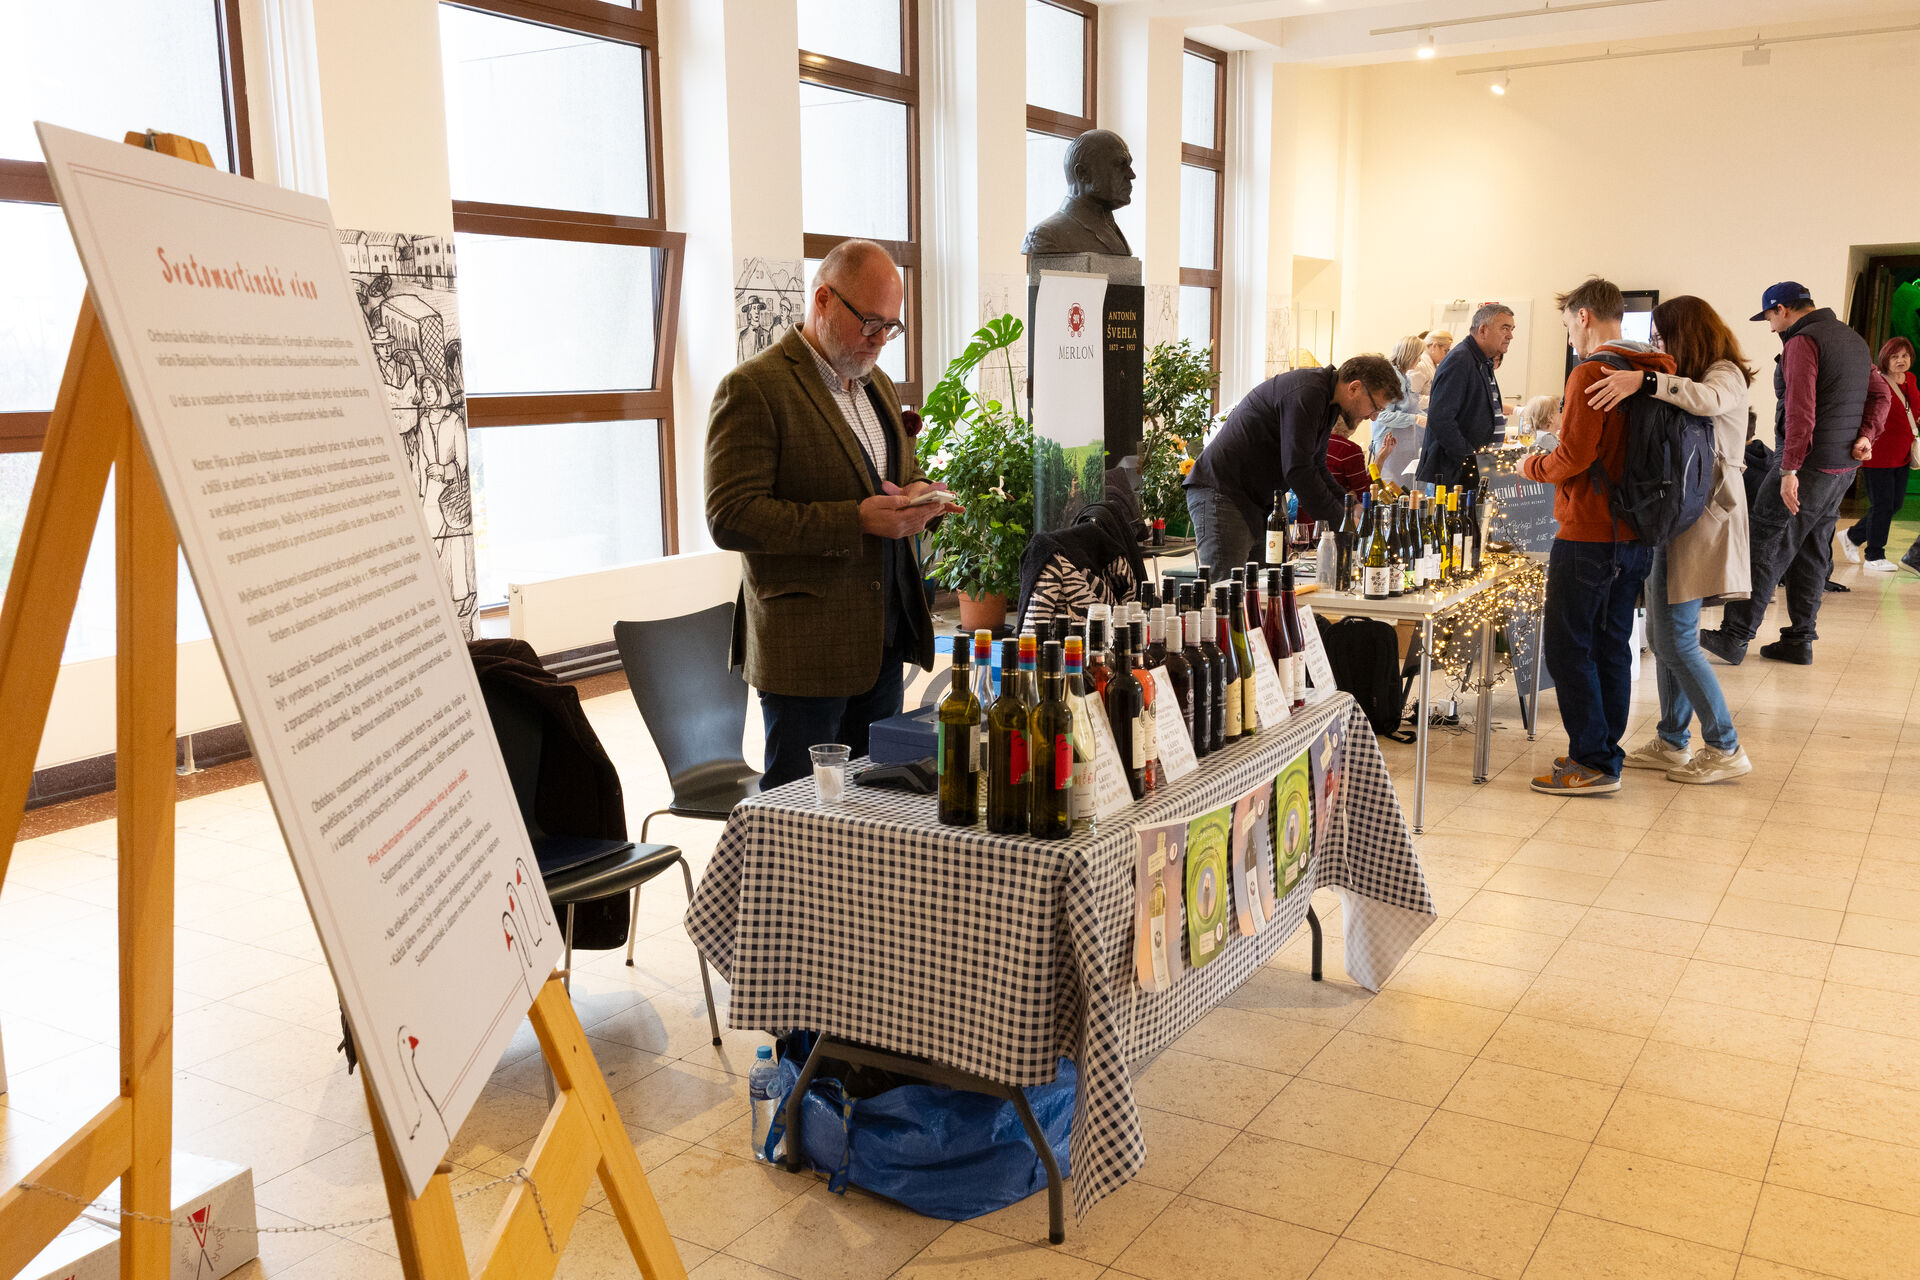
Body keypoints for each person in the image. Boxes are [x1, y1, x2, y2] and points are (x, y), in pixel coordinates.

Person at [705, 239, 961, 788]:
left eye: (891, 326)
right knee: (801, 813)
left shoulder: (878, 386)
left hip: (882, 641)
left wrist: (919, 495)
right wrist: (856, 520)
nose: (880, 339)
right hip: (805, 651)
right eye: (870, 322)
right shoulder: (753, 388)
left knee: (877, 803)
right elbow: (730, 515)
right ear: (823, 299)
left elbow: (894, 475)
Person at [1588, 295, 1755, 784]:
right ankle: (1672, 739)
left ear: (1688, 332)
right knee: (1664, 636)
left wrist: (1645, 380)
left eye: (1663, 335)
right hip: (1677, 514)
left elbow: (1709, 401)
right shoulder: (1693, 373)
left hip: (1705, 518)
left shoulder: (1724, 373)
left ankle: (1725, 745)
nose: (1659, 344)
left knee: (1676, 638)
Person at [1520, 278, 1674, 795]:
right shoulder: (1655, 369)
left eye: (1568, 324)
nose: (1569, 335)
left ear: (1583, 316)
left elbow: (1574, 456)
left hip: (1588, 530)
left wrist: (1531, 466)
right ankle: (1605, 753)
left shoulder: (1591, 372)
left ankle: (1592, 760)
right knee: (1612, 644)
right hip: (1638, 530)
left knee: (1568, 646)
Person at [1701, 284, 1891, 666]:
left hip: (1804, 466)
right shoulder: (1853, 339)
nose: (1770, 326)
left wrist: (1789, 469)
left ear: (1783, 309)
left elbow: (1800, 412)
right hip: (1842, 469)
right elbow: (1882, 394)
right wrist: (1867, 435)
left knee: (1765, 544)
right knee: (1813, 549)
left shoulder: (1803, 343)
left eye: (1769, 317)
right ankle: (1799, 640)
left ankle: (1735, 636)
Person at [1183, 356, 1402, 569]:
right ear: (1354, 388)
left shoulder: (1328, 402)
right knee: (1228, 588)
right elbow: (1298, 470)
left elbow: (1317, 465)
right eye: (1376, 407)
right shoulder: (1308, 392)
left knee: (1260, 587)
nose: (1374, 416)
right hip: (1223, 492)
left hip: (1254, 501)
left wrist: (1348, 507)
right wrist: (1342, 525)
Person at [1839, 337, 1917, 571]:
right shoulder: (1876, 381)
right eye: (1895, 356)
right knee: (1882, 504)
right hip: (1878, 454)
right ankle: (1874, 555)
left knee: (1895, 504)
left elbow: (1913, 410)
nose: (1901, 360)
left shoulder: (1911, 380)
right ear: (1885, 359)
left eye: (1905, 355)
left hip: (1902, 453)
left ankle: (1852, 536)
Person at [1416, 304, 1515, 487]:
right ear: (1483, 330)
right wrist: (1469, 457)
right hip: (1457, 471)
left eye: (1511, 329)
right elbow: (1441, 418)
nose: (1510, 336)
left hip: (1472, 467)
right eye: (1505, 328)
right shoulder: (1460, 360)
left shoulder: (1481, 360)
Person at [1021, 129, 1134, 257]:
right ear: (1083, 173)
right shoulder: (1045, 236)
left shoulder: (1111, 228)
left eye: (1129, 165)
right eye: (1120, 165)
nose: (1131, 175)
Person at [1372, 336, 1428, 488]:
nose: (1420, 360)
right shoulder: (1392, 378)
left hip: (1403, 446)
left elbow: (1411, 408)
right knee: (1391, 489)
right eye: (1418, 356)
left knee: (1404, 489)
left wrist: (1427, 418)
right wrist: (1415, 419)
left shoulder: (1404, 377)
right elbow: (1383, 415)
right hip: (1390, 445)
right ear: (1410, 355)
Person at [1326, 418, 1371, 496]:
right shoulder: (1350, 449)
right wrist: (1380, 461)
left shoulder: (1317, 442)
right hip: (1335, 502)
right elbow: (1363, 493)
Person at [1410, 329, 1453, 405]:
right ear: (1434, 346)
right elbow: (1411, 398)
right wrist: (1438, 399)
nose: (1446, 355)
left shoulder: (1433, 364)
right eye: (1445, 350)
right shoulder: (1420, 365)